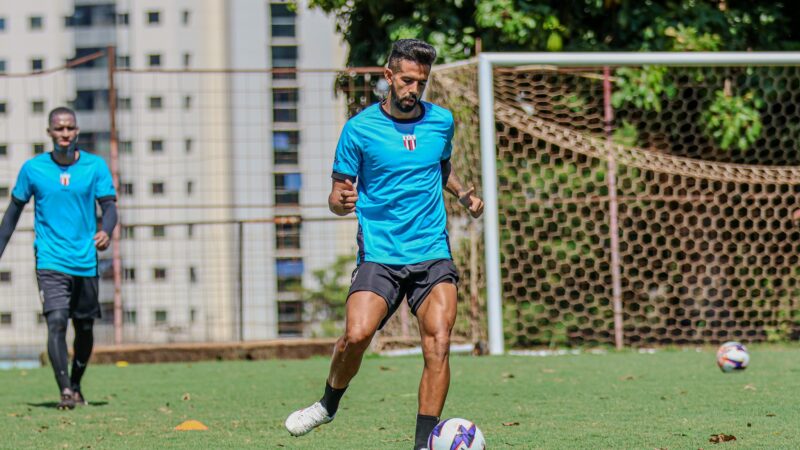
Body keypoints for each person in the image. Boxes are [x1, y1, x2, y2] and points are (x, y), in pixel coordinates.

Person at [284, 39, 484, 450]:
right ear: (389, 77)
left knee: (440, 341)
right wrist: (339, 202)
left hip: (432, 252)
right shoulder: (359, 130)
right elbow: (339, 195)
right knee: (356, 336)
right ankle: (327, 404)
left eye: (422, 83)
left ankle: (422, 444)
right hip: (380, 253)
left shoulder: (441, 122)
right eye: (407, 80)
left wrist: (463, 194)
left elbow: (440, 165)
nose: (414, 90)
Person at [0, 107, 118, 410]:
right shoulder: (33, 169)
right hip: (50, 259)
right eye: (59, 129)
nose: (64, 134)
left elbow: (110, 207)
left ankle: (76, 383)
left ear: (76, 131)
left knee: (85, 328)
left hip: (85, 260)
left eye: (69, 128)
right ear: (49, 133)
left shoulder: (95, 167)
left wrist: (106, 230)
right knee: (55, 322)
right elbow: (12, 214)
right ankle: (65, 389)